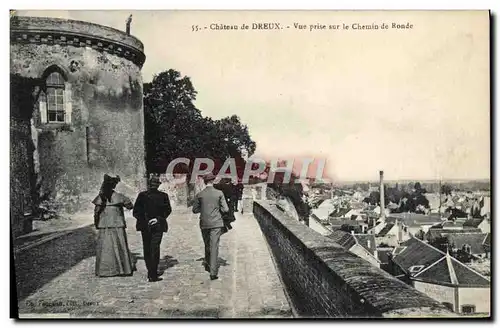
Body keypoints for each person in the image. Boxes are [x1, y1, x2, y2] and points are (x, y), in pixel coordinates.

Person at [92, 174, 135, 277]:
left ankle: (105, 271)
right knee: (120, 246)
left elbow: (96, 213)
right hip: (117, 224)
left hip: (104, 225)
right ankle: (123, 269)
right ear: (114, 186)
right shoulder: (119, 197)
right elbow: (130, 205)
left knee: (105, 249)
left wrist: (97, 224)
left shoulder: (100, 198)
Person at [133, 175, 172, 282]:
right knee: (155, 248)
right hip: (158, 225)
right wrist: (157, 219)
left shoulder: (142, 195)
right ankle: (153, 274)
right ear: (158, 185)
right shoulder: (164, 196)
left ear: (149, 185)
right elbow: (167, 210)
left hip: (145, 226)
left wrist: (146, 221)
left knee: (147, 248)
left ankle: (150, 272)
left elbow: (136, 212)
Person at [192, 173, 229, 280]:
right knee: (214, 246)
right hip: (216, 223)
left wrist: (204, 209)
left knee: (207, 244)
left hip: (204, 223)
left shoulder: (200, 194)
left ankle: (208, 265)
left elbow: (195, 210)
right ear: (213, 181)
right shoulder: (219, 193)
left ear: (204, 182)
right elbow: (225, 209)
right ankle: (213, 272)